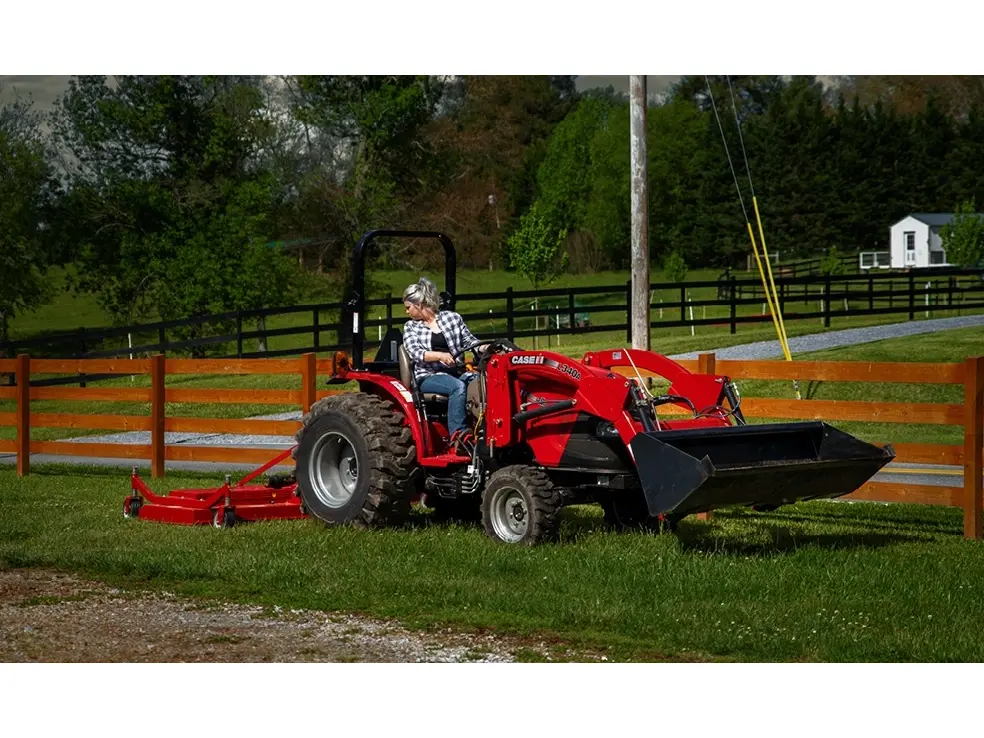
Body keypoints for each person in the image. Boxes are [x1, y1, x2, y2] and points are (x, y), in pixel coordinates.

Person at [402, 277, 480, 451]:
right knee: (457, 387)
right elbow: (416, 353)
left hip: (456, 372)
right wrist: (439, 356)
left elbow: (470, 341)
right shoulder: (411, 327)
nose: (407, 312)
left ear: (420, 304)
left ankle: (483, 429)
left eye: (408, 307)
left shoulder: (452, 319)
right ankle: (458, 438)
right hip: (428, 376)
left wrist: (485, 347)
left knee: (482, 382)